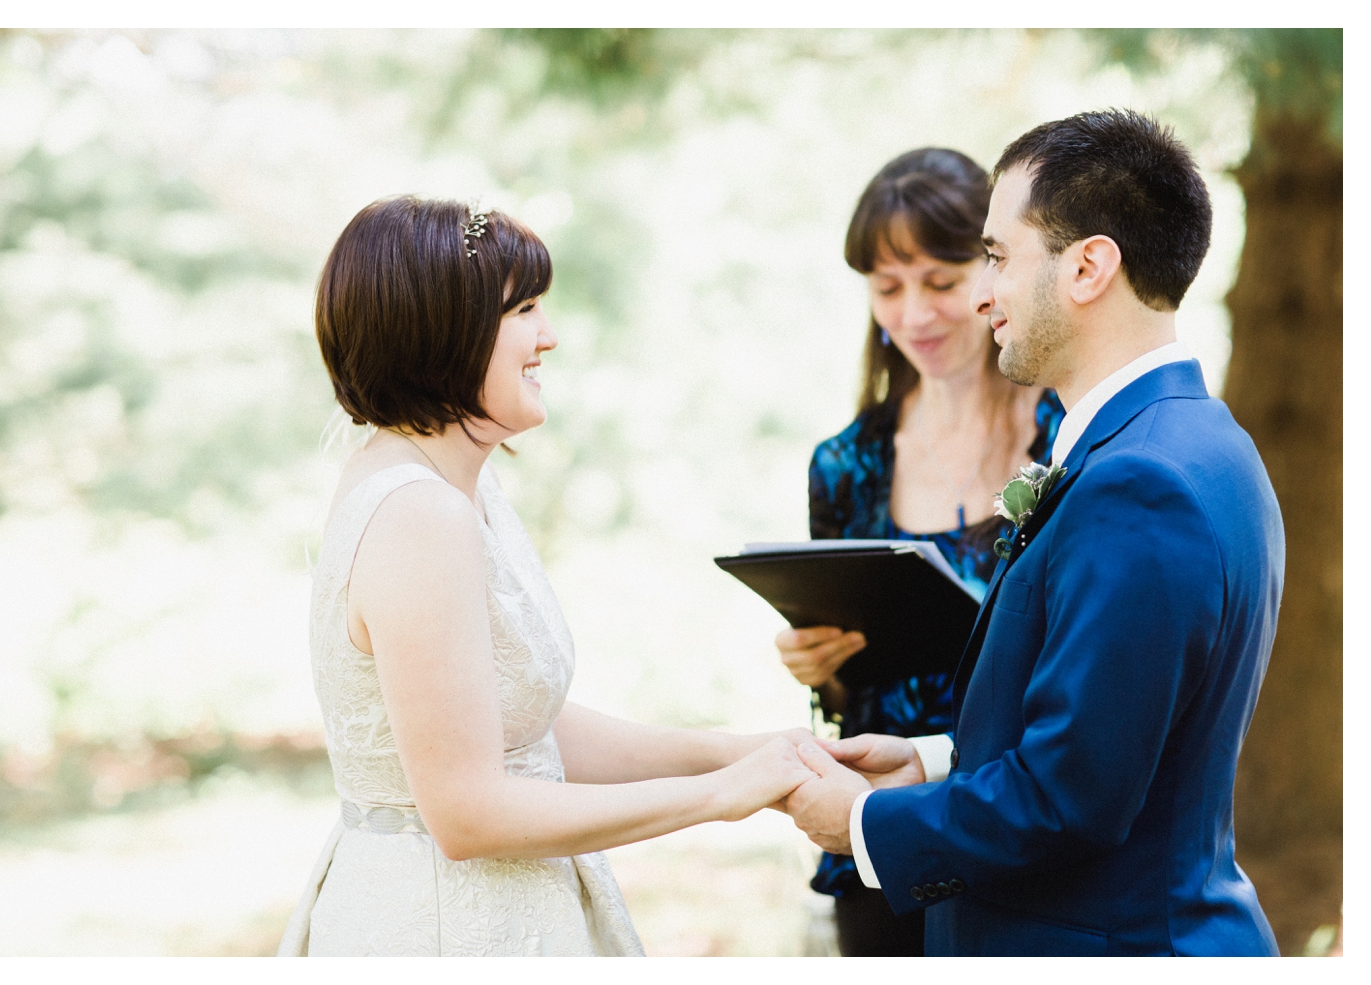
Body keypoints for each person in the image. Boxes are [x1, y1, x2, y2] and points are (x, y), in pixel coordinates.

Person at [783, 109, 1284, 956]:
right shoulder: (1198, 439)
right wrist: (933, 762)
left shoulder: (1138, 482)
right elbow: (1104, 736)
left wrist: (866, 820)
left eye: (995, 259)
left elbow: (1070, 796)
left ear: (1089, 266)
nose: (981, 295)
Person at [277, 197, 817, 957]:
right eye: (524, 309)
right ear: (445, 329)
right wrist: (719, 797)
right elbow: (468, 813)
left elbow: (517, 730)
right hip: (441, 931)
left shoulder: (453, 486)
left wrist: (743, 750)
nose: (549, 336)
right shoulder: (416, 513)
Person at [773, 148, 1063, 956]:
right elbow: (848, 692)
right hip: (886, 840)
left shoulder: (1069, 436)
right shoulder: (846, 462)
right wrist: (820, 660)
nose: (915, 315)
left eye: (941, 282)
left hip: (1022, 822)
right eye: (887, 288)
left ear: (995, 269)